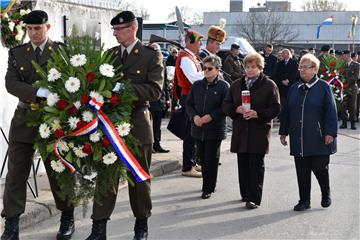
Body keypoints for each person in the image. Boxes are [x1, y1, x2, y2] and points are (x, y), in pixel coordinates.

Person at [87, 11, 163, 240]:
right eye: (114, 29)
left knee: (139, 176)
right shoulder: (110, 55)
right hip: (110, 122)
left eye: (120, 29)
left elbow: (155, 91)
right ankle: (98, 228)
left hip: (137, 121)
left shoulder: (150, 55)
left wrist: (124, 90)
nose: (115, 33)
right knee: (106, 176)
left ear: (133, 28)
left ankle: (141, 225)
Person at [2, 10, 75, 240]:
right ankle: (11, 224)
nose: (33, 33)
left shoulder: (61, 52)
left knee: (58, 170)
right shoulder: (17, 53)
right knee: (16, 173)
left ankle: (67, 217)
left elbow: (69, 81)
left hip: (53, 120)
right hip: (24, 119)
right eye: (30, 29)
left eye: (38, 28)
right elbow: (11, 84)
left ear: (48, 27)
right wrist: (37, 92)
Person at [279, 53, 337, 211]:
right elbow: (287, 112)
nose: (302, 70)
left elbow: (331, 112)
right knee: (302, 171)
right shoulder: (294, 88)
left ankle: (326, 194)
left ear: (315, 69)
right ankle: (304, 200)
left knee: (320, 169)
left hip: (319, 137)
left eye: (305, 67)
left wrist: (330, 133)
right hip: (298, 137)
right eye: (300, 67)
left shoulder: (323, 87)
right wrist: (283, 132)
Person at [223, 52, 280, 209]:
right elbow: (226, 104)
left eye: (253, 67)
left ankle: (254, 197)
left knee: (256, 165)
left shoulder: (269, 85)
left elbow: (276, 108)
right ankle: (245, 194)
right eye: (247, 67)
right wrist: (236, 109)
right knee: (243, 164)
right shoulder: (236, 84)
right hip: (241, 130)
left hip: (259, 131)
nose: (250, 70)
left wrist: (258, 114)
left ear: (260, 68)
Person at [186, 55, 229, 199]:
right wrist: (194, 117)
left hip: (215, 129)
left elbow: (225, 107)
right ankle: (207, 183)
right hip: (198, 128)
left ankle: (208, 187)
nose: (206, 71)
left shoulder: (224, 86)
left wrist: (211, 116)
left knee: (212, 158)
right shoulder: (197, 85)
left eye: (210, 68)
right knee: (203, 159)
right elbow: (189, 104)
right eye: (204, 68)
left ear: (217, 70)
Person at [175, 30, 204, 178]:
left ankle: (191, 162)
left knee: (193, 133)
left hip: (192, 97)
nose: (201, 44)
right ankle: (187, 166)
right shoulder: (185, 58)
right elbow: (193, 78)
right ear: (191, 42)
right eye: (199, 41)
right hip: (188, 97)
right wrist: (210, 72)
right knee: (190, 134)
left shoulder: (190, 56)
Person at [339, 50, 360, 130]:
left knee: (353, 106)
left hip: (352, 88)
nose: (342, 56)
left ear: (348, 55)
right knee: (343, 105)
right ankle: (344, 123)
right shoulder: (342, 65)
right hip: (343, 88)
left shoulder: (356, 65)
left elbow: (356, 76)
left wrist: (346, 82)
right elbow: (340, 74)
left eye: (343, 55)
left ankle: (353, 123)